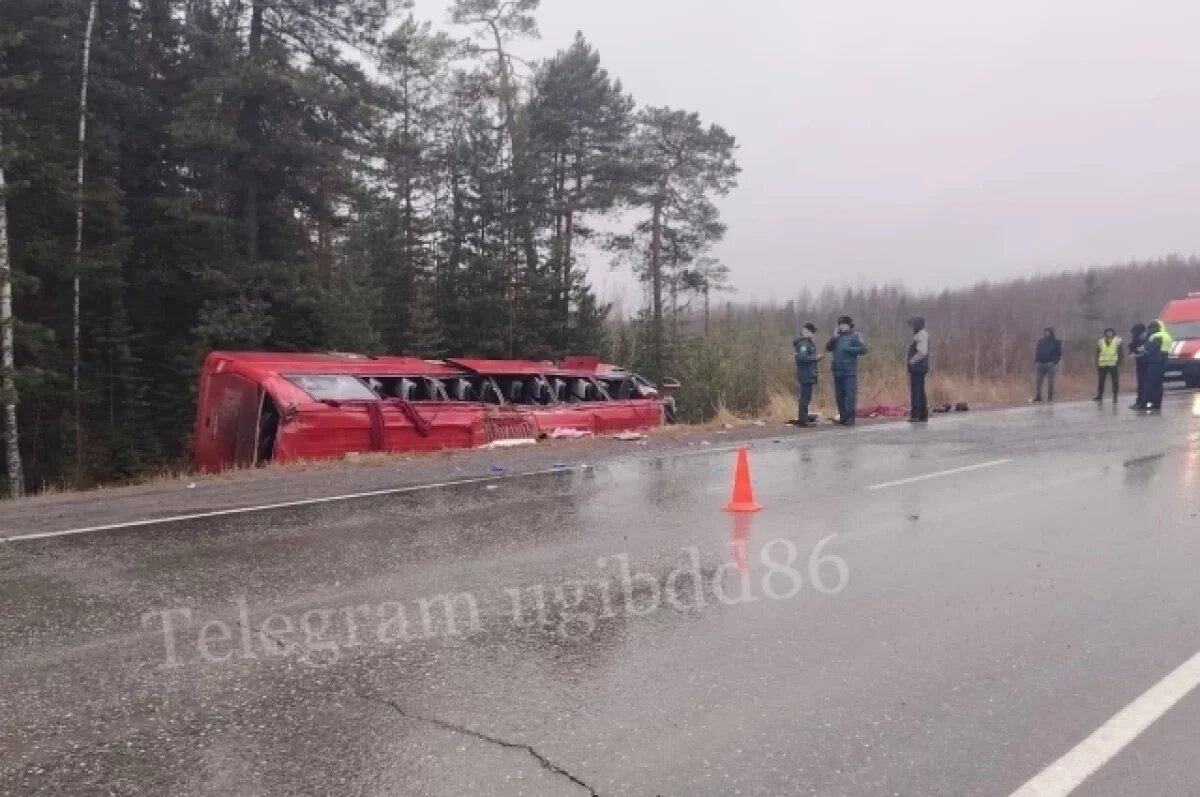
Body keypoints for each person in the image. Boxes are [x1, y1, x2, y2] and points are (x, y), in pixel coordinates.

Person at [825, 315, 868, 425]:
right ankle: (843, 416)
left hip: (849, 371)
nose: (842, 327)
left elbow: (864, 349)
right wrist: (833, 338)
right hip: (837, 370)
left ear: (849, 325)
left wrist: (850, 350)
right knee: (840, 396)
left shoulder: (855, 336)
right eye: (840, 325)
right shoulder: (836, 337)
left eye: (844, 325)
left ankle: (850, 418)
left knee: (850, 395)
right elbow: (828, 348)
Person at [792, 323, 822, 426]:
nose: (813, 334)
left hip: (808, 373)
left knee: (807, 397)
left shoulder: (807, 343)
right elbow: (802, 358)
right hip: (805, 374)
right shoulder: (804, 344)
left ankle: (804, 418)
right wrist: (815, 358)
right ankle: (802, 420)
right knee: (804, 397)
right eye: (812, 332)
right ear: (806, 331)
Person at [1140, 320, 1174, 411]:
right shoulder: (1167, 335)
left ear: (1153, 328)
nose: (1149, 330)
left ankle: (1144, 403)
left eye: (1150, 328)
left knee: (1149, 383)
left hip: (1154, 362)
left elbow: (1148, 349)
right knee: (1158, 384)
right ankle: (1157, 403)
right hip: (1163, 362)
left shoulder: (1155, 336)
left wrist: (1141, 348)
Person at [907, 317, 930, 422]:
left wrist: (912, 361)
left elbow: (922, 352)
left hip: (918, 367)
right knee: (920, 390)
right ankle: (922, 414)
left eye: (913, 325)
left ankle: (916, 414)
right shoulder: (922, 334)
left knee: (916, 390)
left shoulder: (920, 335)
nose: (912, 327)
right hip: (921, 367)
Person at [1093, 328, 1123, 403]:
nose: (1109, 334)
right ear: (1105, 333)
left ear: (1113, 333)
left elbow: (1120, 353)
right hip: (1102, 364)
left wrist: (1119, 362)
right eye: (1108, 332)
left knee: (1115, 381)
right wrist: (1097, 363)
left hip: (1113, 364)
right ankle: (1100, 396)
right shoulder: (1101, 341)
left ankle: (1115, 396)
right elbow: (1098, 353)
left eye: (1110, 332)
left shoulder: (1117, 341)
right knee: (1101, 381)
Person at [1033, 327, 1062, 402]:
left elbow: (1059, 353)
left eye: (1048, 332)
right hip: (1040, 363)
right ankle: (1038, 396)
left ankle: (1050, 396)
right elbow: (1037, 350)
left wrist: (1055, 362)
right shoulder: (1041, 341)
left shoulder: (1056, 341)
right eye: (1046, 332)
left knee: (1050, 381)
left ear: (1051, 332)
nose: (1047, 333)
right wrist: (1036, 360)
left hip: (1050, 364)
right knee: (1039, 380)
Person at [1128, 323, 1149, 409]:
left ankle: (1143, 402)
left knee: (1145, 384)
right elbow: (1132, 347)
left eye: (1135, 333)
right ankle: (1139, 401)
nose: (1134, 335)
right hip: (1140, 364)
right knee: (1140, 384)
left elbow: (1147, 352)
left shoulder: (1148, 339)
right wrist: (1132, 353)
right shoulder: (1136, 340)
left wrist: (1138, 354)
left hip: (1147, 364)